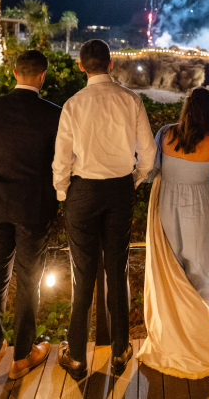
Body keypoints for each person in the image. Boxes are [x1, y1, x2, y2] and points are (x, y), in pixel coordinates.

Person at [53, 39, 156, 380]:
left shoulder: (73, 104)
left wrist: (63, 192)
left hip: (82, 191)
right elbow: (149, 152)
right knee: (117, 268)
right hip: (119, 190)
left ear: (81, 66)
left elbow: (61, 159)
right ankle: (120, 350)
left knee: (83, 276)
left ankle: (78, 357)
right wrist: (136, 178)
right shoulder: (131, 99)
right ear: (111, 64)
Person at [138, 88, 209, 378]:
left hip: (167, 205)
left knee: (171, 271)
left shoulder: (165, 134)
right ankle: (200, 339)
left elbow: (153, 169)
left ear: (185, 109)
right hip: (200, 207)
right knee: (202, 272)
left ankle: (173, 337)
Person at [0, 50, 61, 380]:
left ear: (14, 73)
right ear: (42, 76)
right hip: (33, 206)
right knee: (28, 279)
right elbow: (60, 161)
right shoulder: (54, 114)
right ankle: (22, 357)